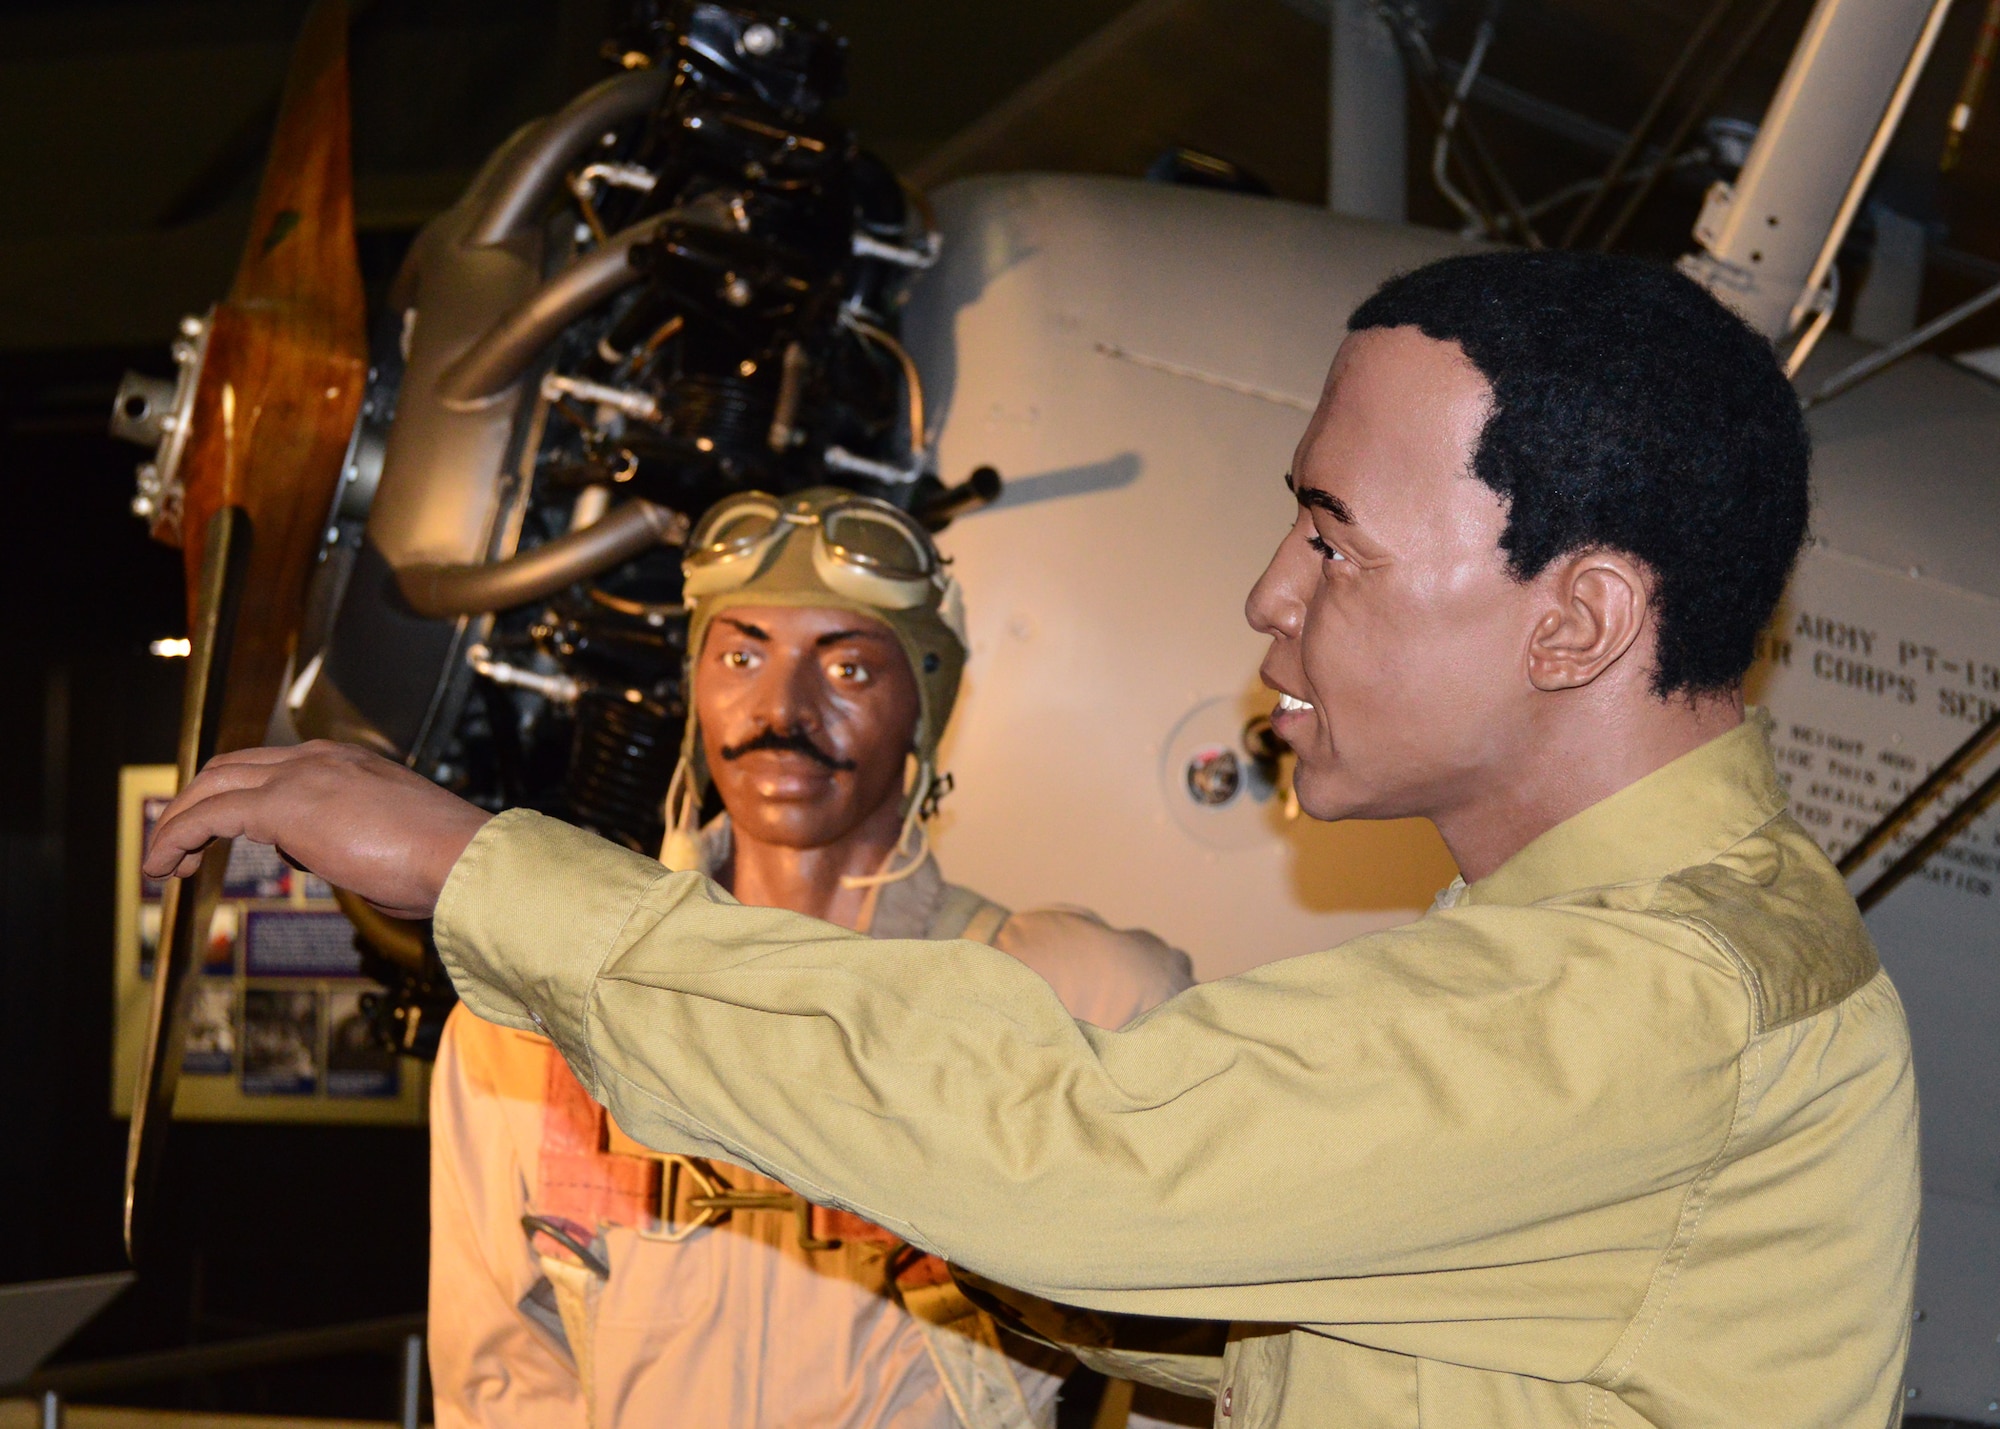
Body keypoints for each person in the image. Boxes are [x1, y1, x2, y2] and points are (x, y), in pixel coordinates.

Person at [149, 251, 1919, 1428]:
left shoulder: (1662, 995)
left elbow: (1088, 1150)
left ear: (1578, 618)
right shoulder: (1635, 960)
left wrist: (478, 864)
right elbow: (1222, 1299)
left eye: (1333, 537)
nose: (1265, 596)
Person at [427, 487, 1195, 1428]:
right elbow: (498, 1379)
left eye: (849, 669)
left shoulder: (1078, 1002)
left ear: (925, 705)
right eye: (740, 656)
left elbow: (1187, 1355)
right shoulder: (535, 1025)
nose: (780, 708)